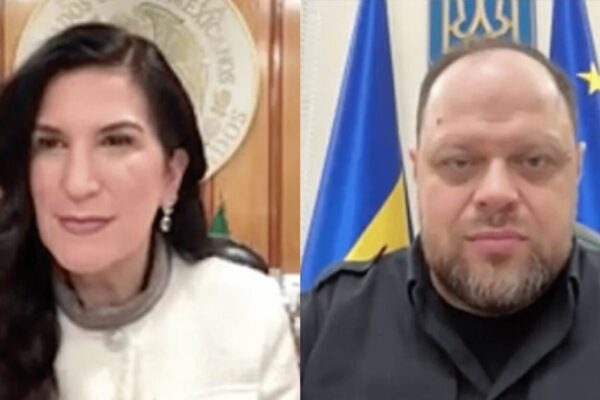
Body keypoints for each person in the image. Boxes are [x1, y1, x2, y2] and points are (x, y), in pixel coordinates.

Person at [0, 22, 299, 400]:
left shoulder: (248, 310)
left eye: (115, 141)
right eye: (50, 144)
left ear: (171, 175)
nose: (77, 183)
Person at [301, 38, 600, 399]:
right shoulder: (321, 327)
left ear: (577, 168)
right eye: (459, 162)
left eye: (534, 161)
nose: (496, 193)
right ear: (417, 169)